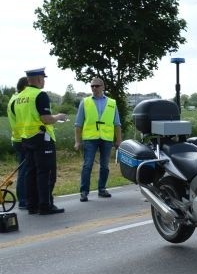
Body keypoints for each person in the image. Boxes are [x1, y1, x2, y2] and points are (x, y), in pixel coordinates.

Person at [12, 67, 67, 215]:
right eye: (43, 78)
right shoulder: (40, 95)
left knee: (31, 172)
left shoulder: (19, 97)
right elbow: (46, 119)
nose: (44, 81)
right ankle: (45, 205)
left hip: (26, 138)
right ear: (38, 79)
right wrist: (58, 116)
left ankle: (32, 205)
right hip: (42, 137)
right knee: (46, 173)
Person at [74, 77, 122, 201]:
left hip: (106, 138)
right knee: (87, 165)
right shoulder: (85, 102)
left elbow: (117, 123)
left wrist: (118, 140)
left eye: (97, 86)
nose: (94, 88)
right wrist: (77, 141)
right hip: (90, 138)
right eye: (92, 86)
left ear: (103, 87)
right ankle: (84, 191)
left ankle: (102, 189)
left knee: (105, 166)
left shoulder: (112, 103)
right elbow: (78, 124)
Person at [7, 76, 30, 209]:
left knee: (24, 169)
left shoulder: (14, 99)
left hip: (18, 138)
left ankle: (25, 198)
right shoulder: (19, 100)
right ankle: (23, 200)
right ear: (26, 86)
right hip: (22, 138)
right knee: (25, 170)